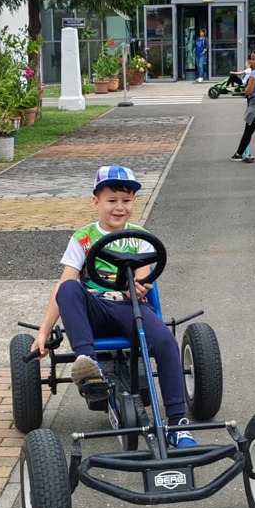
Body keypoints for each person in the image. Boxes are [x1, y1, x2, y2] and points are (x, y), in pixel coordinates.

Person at [31, 165, 198, 448]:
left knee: (166, 342)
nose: (119, 207)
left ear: (134, 202)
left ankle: (177, 423)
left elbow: (143, 280)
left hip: (129, 307)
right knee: (69, 287)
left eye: (126, 200)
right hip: (93, 310)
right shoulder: (83, 238)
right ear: (96, 201)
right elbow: (63, 287)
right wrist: (43, 332)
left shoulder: (140, 237)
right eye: (112, 200)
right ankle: (89, 367)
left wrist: (138, 285)